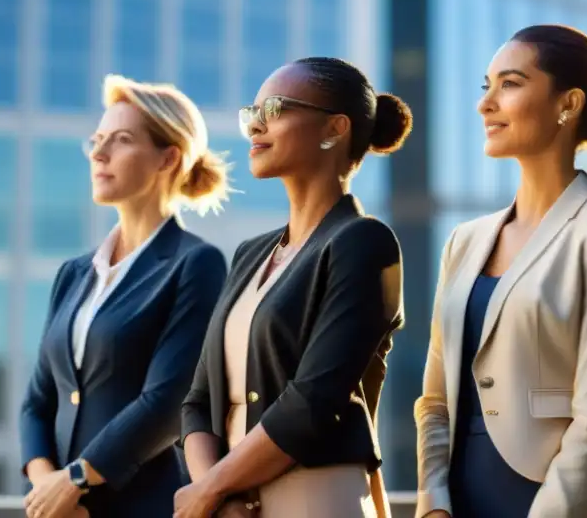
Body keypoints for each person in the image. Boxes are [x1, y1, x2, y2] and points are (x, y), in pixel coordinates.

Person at [415, 25, 587, 518]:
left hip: (546, 500)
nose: (486, 104)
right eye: (485, 86)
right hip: (456, 499)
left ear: (568, 103)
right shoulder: (464, 241)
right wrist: (434, 502)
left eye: (508, 84)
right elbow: (434, 399)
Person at [175, 57, 412, 518]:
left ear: (335, 128)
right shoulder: (249, 254)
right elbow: (198, 401)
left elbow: (313, 400)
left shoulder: (363, 242)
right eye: (253, 112)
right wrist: (213, 493)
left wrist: (213, 489)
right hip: (227, 504)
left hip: (313, 496)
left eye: (276, 109)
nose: (255, 126)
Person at [19, 75, 230, 518]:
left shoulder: (196, 264)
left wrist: (75, 479)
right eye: (96, 140)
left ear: (168, 158)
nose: (98, 153)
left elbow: (168, 401)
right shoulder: (73, 274)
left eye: (121, 140)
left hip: (148, 506)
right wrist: (50, 491)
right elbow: (38, 401)